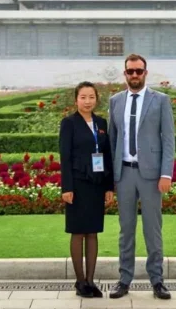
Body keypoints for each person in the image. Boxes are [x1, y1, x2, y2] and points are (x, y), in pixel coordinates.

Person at [107, 54, 175, 300]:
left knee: (152, 230)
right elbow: (112, 141)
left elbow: (168, 139)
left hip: (151, 176)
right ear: (124, 73)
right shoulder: (115, 101)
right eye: (130, 71)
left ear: (146, 72)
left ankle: (157, 281)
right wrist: (110, 178)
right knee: (126, 230)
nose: (134, 75)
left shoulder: (161, 100)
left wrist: (166, 173)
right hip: (124, 174)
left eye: (138, 71)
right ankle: (124, 279)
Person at [59, 81, 115, 298]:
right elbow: (65, 157)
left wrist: (109, 186)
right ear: (76, 100)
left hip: (97, 184)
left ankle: (91, 281)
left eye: (91, 97)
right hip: (77, 184)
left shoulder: (101, 123)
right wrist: (67, 187)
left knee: (92, 231)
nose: (87, 101)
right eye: (83, 97)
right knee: (78, 231)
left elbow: (107, 155)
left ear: (96, 99)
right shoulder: (69, 123)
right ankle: (80, 281)